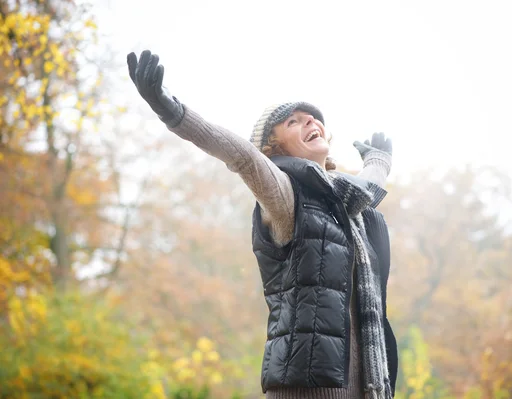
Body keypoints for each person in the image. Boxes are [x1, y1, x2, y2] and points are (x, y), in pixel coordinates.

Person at [127, 50, 398, 399]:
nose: (311, 123)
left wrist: (378, 161)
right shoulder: (285, 195)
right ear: (274, 145)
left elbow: (365, 188)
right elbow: (242, 155)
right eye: (294, 121)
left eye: (314, 118)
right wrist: (172, 110)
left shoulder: (348, 209)